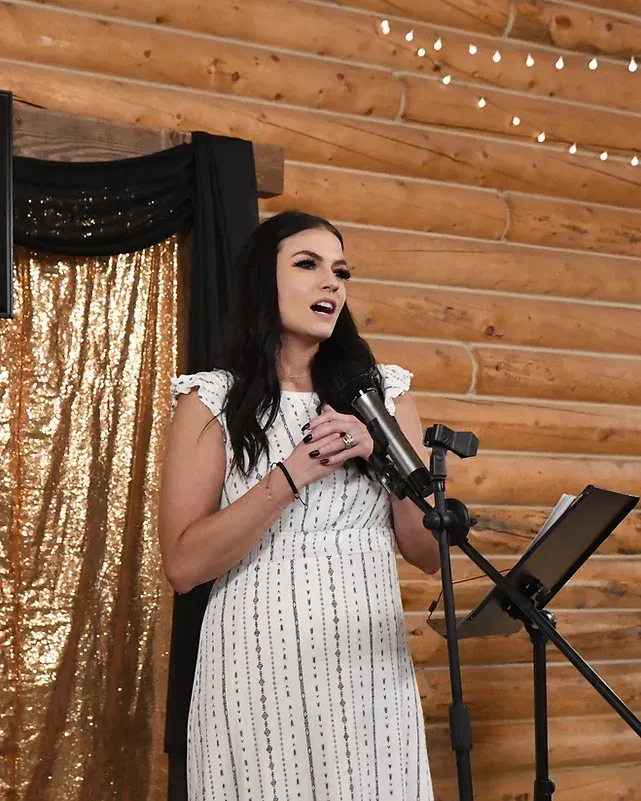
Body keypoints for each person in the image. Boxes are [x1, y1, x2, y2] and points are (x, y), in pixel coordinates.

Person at [158, 210, 440, 801]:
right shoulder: (212, 401)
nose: (331, 283)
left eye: (340, 271)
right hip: (256, 668)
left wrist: (387, 457)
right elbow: (183, 566)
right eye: (308, 265)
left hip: (370, 671)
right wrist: (293, 472)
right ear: (265, 281)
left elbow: (428, 553)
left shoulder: (384, 396)